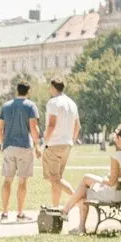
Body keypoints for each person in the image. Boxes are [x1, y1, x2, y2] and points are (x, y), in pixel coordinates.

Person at [62, 123, 121, 235]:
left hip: (114, 195)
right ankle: (69, 216)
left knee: (84, 188)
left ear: (120, 139)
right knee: (85, 184)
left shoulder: (117, 156)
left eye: (116, 136)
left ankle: (67, 214)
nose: (115, 139)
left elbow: (111, 182)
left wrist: (100, 180)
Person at [0, 81, 39, 223]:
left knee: (7, 180)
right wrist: (37, 145)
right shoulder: (30, 106)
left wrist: (3, 143)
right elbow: (33, 128)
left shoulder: (6, 106)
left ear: (17, 91)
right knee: (22, 181)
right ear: (28, 91)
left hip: (9, 147)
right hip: (24, 147)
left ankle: (4, 213)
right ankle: (20, 214)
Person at [42, 79, 80, 207]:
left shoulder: (53, 103)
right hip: (67, 144)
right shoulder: (72, 103)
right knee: (57, 179)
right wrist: (72, 141)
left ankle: (78, 199)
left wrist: (45, 141)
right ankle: (55, 207)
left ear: (53, 87)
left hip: (54, 143)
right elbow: (77, 126)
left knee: (54, 178)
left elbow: (51, 124)